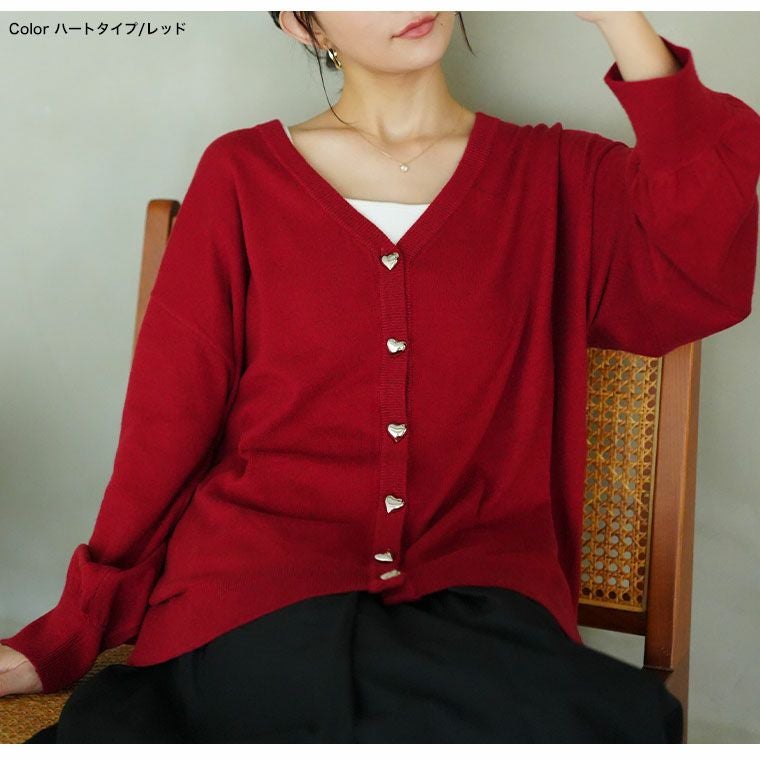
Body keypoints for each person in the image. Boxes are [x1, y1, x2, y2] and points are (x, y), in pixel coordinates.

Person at [2, 10, 759, 743]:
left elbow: (700, 268)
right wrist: (73, 627)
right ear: (302, 24)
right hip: (256, 590)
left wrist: (620, 20)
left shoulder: (560, 177)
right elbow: (168, 421)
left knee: (589, 723)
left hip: (484, 601)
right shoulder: (241, 174)